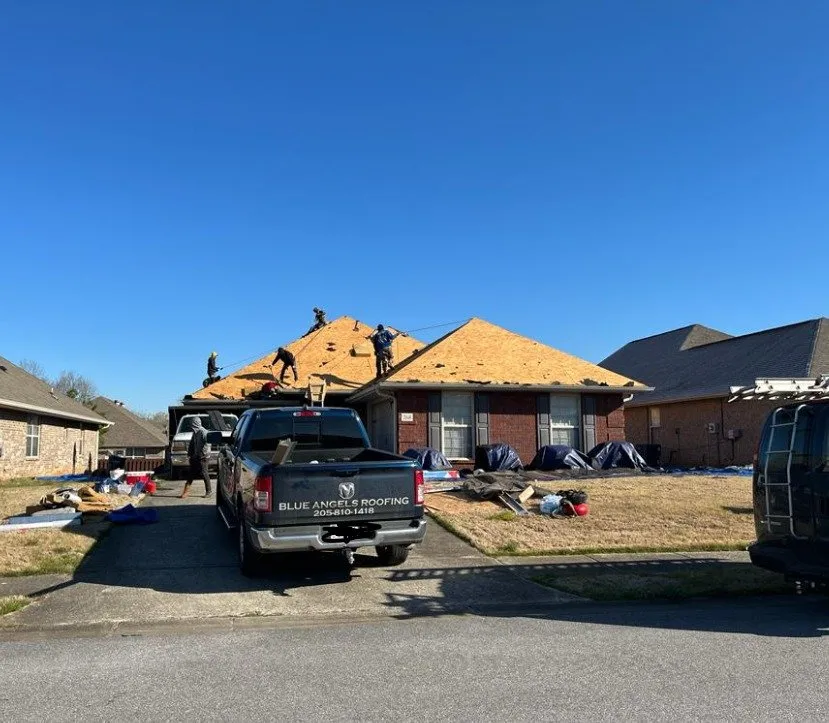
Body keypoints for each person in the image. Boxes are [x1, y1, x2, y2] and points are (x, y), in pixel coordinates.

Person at [181, 417, 212, 498]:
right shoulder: (195, 432)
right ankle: (186, 491)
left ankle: (209, 491)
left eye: (193, 425)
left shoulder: (203, 432)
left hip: (204, 456)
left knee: (204, 473)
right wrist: (190, 454)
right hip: (195, 456)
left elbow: (208, 440)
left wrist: (204, 452)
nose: (192, 427)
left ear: (196, 424)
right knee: (191, 473)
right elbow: (192, 443)